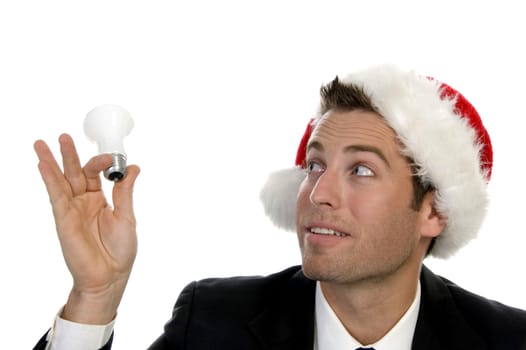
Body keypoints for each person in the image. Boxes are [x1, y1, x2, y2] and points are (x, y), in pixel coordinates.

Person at [33, 64, 526, 350]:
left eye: (361, 170)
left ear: (434, 213)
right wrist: (95, 296)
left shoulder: (508, 341)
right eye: (314, 166)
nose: (318, 194)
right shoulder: (212, 323)